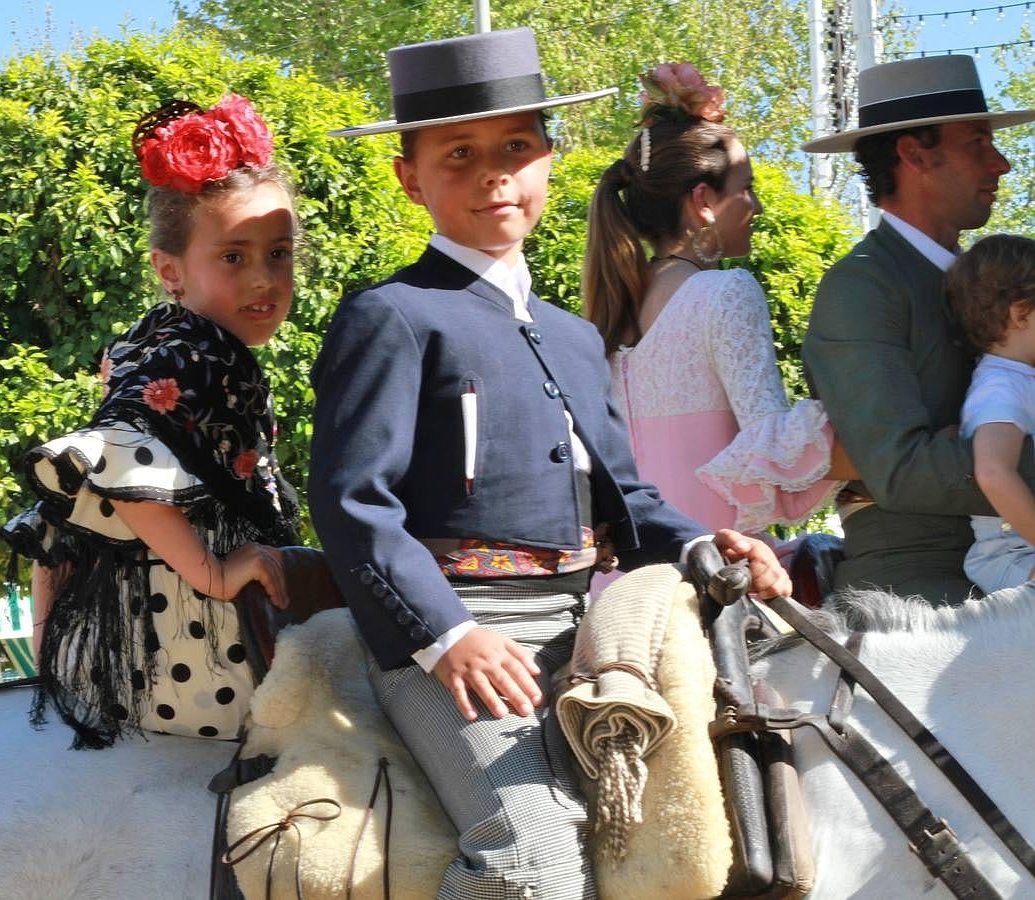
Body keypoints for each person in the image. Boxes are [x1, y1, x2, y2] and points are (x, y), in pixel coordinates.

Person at [312, 29, 791, 899]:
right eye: (460, 154)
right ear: (408, 177)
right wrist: (447, 637)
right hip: (456, 638)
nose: (495, 172)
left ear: (549, 162)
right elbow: (354, 505)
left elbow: (630, 501)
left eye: (517, 148)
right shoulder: (392, 316)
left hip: (584, 628)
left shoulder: (573, 337)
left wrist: (705, 547)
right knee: (529, 857)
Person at [1, 94, 299, 749]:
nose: (264, 278)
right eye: (233, 257)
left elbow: (65, 516)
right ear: (170, 270)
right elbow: (117, 466)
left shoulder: (168, 339)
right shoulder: (189, 348)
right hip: (194, 642)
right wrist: (215, 574)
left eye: (280, 253)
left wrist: (47, 639)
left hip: (147, 630)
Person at [802, 55, 1035, 603]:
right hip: (915, 589)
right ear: (913, 155)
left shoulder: (982, 276)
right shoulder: (861, 288)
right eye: (978, 142)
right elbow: (901, 470)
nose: (1000, 163)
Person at [584, 62, 848, 538]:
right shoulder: (725, 292)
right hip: (715, 564)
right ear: (704, 200)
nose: (757, 207)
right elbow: (769, 444)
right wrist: (857, 416)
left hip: (625, 577)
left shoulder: (609, 307)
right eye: (746, 189)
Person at [945, 234, 1035, 592]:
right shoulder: (1001, 386)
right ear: (1020, 313)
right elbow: (994, 472)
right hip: (1010, 553)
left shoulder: (1019, 379)